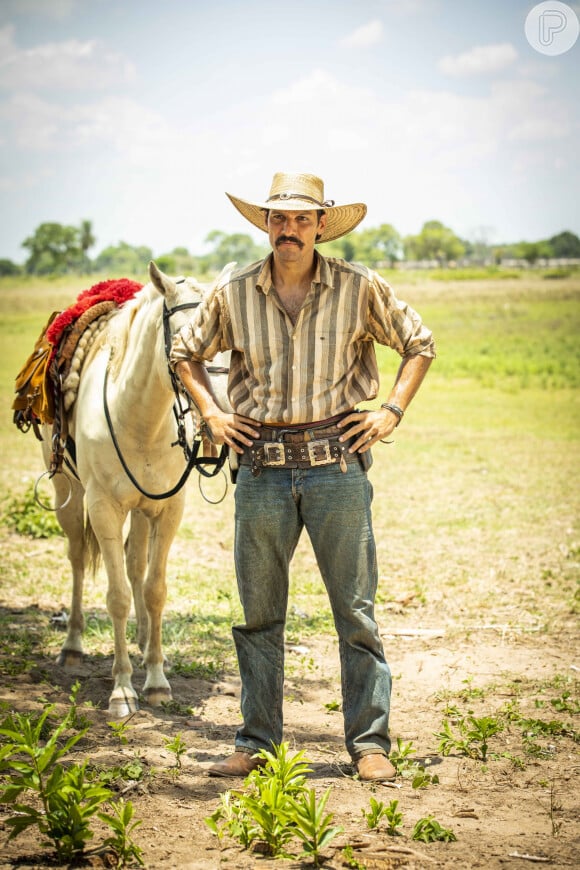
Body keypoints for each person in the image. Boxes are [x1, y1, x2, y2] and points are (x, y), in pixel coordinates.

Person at [170, 171, 435, 781]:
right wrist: (211, 410)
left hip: (335, 465)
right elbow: (184, 352)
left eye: (301, 219)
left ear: (322, 224)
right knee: (258, 614)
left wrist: (391, 410)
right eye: (278, 219)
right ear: (266, 224)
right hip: (260, 469)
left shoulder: (358, 286)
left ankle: (369, 745)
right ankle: (256, 741)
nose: (289, 230)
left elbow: (418, 343)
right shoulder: (234, 290)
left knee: (355, 611)